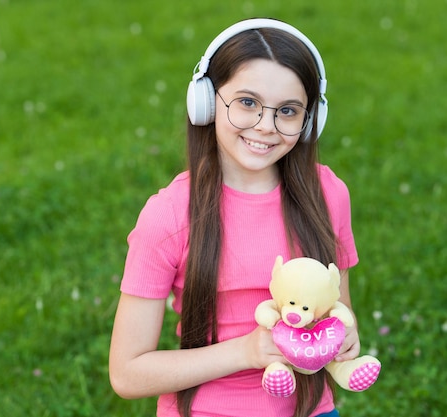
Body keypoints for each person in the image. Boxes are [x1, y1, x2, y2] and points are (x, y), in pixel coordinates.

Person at [109, 18, 361, 417]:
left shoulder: (327, 195)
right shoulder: (169, 215)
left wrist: (346, 341)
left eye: (288, 111)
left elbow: (341, 311)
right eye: (247, 102)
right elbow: (127, 374)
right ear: (207, 101)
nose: (266, 126)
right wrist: (246, 352)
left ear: (310, 120)